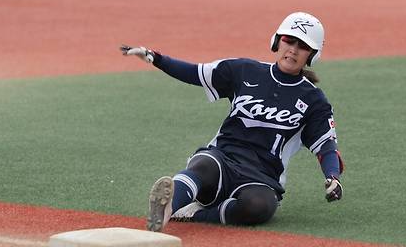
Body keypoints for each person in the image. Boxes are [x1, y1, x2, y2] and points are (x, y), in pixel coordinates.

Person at [120, 12, 344, 232]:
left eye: (302, 46)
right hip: (222, 158)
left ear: (312, 54)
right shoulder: (245, 70)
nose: (293, 49)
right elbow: (194, 73)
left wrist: (332, 177)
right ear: (277, 41)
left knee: (259, 207)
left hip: (262, 176)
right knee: (202, 166)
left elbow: (326, 147)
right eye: (288, 40)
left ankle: (195, 213)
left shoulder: (314, 100)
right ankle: (168, 208)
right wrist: (155, 58)